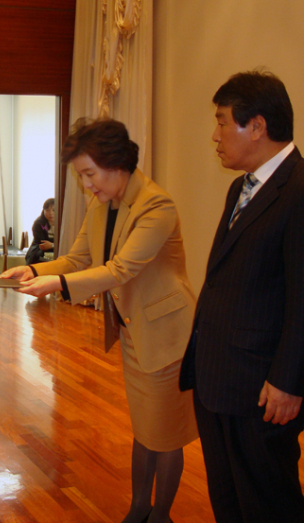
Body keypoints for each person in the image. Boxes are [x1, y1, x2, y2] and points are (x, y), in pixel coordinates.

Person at [2, 118, 198, 523]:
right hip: (134, 330)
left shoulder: (155, 205)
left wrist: (58, 284)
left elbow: (121, 269)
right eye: (81, 176)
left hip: (165, 332)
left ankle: (160, 515)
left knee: (164, 434)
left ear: (116, 163)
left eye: (89, 174)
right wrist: (36, 272)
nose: (86, 184)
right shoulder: (102, 205)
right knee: (146, 429)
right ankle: (139, 509)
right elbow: (78, 259)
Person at [179, 71, 304, 523]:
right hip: (220, 379)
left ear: (257, 126)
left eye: (222, 122)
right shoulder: (242, 186)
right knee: (228, 498)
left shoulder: (298, 190)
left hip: (263, 389)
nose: (214, 136)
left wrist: (290, 380)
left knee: (268, 503)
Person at [25, 198, 55, 264]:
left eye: (54, 210)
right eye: (47, 210)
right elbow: (42, 243)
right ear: (43, 210)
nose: (50, 213)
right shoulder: (39, 223)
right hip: (39, 249)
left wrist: (52, 245)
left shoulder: (64, 223)